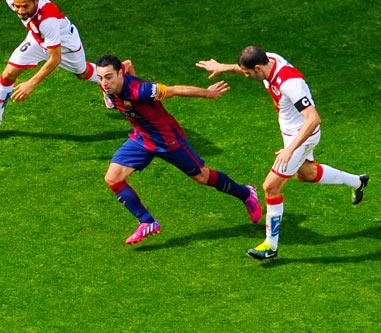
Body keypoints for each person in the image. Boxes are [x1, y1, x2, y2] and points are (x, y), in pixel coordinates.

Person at [196, 46, 369, 260]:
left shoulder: (290, 84)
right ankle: (357, 182)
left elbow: (313, 118)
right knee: (307, 174)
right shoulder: (269, 61)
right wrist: (223, 67)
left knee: (271, 186)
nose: (247, 76)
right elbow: (245, 69)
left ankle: (271, 245)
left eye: (249, 73)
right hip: (292, 135)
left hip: (302, 136)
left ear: (258, 68)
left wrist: (290, 149)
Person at [96, 55, 261, 245]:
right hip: (142, 138)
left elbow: (174, 90)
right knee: (113, 178)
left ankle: (246, 193)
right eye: (101, 78)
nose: (104, 82)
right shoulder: (108, 85)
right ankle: (147, 222)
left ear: (119, 74)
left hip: (167, 139)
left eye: (109, 77)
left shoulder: (141, 90)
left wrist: (207, 94)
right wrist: (108, 94)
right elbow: (128, 63)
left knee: (202, 177)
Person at [0, 0, 129, 134]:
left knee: (82, 73)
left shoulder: (47, 20)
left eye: (25, 6)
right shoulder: (17, 0)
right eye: (17, 6)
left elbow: (55, 59)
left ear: (35, 1)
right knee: (8, 74)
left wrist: (31, 83)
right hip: (37, 40)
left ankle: (111, 80)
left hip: (66, 48)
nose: (20, 11)